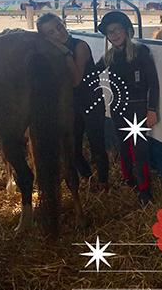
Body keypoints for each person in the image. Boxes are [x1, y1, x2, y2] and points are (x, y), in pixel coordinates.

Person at [36, 13, 109, 192]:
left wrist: (65, 54)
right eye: (51, 32)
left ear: (63, 24)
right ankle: (89, 179)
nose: (58, 33)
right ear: (45, 37)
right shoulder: (49, 53)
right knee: (73, 149)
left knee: (96, 144)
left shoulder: (79, 46)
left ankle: (104, 185)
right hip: (71, 105)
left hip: (91, 100)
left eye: (59, 27)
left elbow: (76, 80)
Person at [97, 11, 159, 206]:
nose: (114, 35)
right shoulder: (110, 56)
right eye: (109, 32)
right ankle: (128, 180)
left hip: (139, 109)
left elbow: (153, 84)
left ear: (126, 31)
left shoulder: (141, 52)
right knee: (123, 147)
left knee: (139, 149)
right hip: (118, 108)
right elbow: (91, 73)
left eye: (117, 30)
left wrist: (152, 109)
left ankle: (144, 190)